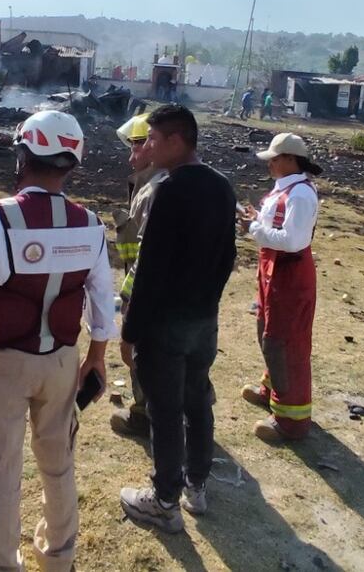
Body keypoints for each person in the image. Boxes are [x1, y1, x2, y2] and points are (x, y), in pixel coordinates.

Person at [0, 111, 116, 572]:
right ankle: (59, 557)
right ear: (71, 164)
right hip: (62, 362)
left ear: (22, 155)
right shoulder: (90, 222)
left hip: (3, 363)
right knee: (58, 460)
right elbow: (104, 296)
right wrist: (97, 355)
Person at [118, 104, 236, 534]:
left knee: (165, 411)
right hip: (203, 320)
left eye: (151, 139)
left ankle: (164, 501)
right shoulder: (223, 187)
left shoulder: (168, 191)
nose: (145, 146)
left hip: (165, 325)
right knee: (197, 400)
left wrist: (130, 333)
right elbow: (229, 257)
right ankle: (196, 485)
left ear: (175, 140)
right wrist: (206, 301)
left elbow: (149, 270)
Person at [239, 133, 322, 442]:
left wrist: (254, 228)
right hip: (272, 271)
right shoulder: (284, 190)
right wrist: (256, 219)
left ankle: (291, 419)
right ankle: (273, 389)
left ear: (290, 159)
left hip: (289, 274)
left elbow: (292, 241)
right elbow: (276, 225)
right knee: (267, 330)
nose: (270, 164)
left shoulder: (300, 195)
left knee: (287, 342)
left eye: (274, 158)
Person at [109, 113, 168, 437]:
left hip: (146, 291)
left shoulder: (156, 189)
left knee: (144, 352)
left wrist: (129, 296)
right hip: (148, 287)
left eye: (136, 146)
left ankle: (144, 416)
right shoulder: (147, 183)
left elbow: (147, 256)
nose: (131, 155)